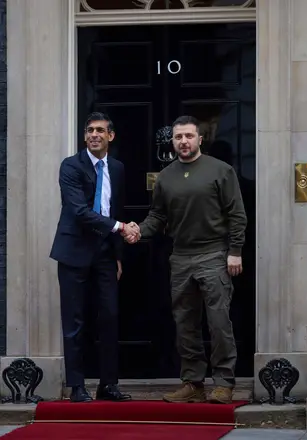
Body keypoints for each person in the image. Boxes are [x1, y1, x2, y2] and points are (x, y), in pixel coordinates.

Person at [124, 115, 247, 405]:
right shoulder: (165, 177)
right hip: (180, 257)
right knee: (185, 324)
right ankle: (193, 382)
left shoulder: (221, 170)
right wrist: (139, 230)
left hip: (214, 254)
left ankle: (223, 383)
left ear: (200, 139)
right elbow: (158, 216)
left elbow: (236, 214)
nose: (184, 142)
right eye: (178, 137)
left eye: (189, 136)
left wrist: (235, 251)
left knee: (218, 322)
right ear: (173, 140)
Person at [50, 112, 138, 403]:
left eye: (100, 130)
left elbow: (117, 208)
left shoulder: (118, 168)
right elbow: (78, 211)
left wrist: (118, 255)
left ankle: (108, 385)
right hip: (74, 252)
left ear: (110, 136)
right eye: (89, 130)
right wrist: (120, 228)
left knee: (109, 318)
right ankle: (77, 386)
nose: (94, 135)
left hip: (104, 255)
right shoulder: (71, 166)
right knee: (75, 321)